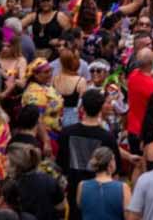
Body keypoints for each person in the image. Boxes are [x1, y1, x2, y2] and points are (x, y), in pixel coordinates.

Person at [58, 88, 122, 220]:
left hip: (73, 190)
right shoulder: (106, 137)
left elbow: (61, 163)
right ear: (100, 108)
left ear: (82, 108)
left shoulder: (67, 132)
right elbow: (115, 171)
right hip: (99, 192)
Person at [77, 146, 131, 220]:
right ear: (110, 164)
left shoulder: (82, 185)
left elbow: (81, 207)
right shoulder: (123, 187)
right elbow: (129, 217)